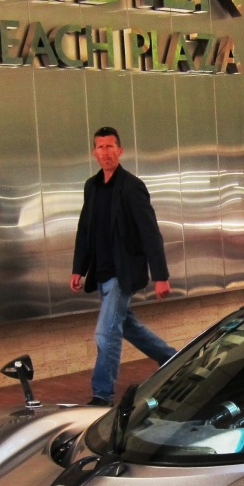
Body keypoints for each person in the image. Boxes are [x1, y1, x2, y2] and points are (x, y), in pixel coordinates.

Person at [70, 126, 177, 406]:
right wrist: (78, 268)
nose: (105, 153)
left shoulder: (131, 187)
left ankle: (102, 394)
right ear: (94, 152)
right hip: (102, 272)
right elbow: (85, 230)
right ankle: (172, 359)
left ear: (120, 150)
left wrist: (161, 275)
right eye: (100, 147)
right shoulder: (91, 187)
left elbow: (150, 232)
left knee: (106, 332)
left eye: (110, 147)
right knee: (126, 325)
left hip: (123, 273)